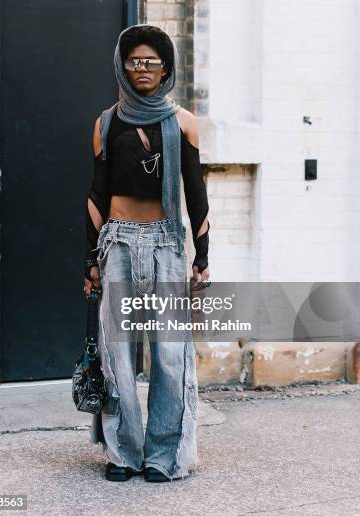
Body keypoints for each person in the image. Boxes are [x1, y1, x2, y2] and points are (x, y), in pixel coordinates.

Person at [83, 24, 210, 482]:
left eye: (151, 62)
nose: (142, 69)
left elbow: (196, 192)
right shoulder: (106, 123)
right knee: (116, 352)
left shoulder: (183, 123)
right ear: (122, 66)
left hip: (167, 244)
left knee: (169, 353)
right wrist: (90, 260)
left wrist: (202, 254)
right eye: (134, 61)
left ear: (166, 69)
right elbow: (97, 194)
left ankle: (163, 455)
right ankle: (123, 453)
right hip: (117, 241)